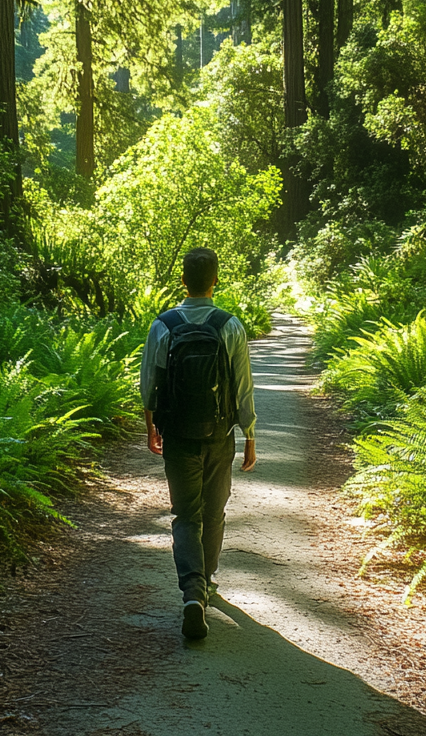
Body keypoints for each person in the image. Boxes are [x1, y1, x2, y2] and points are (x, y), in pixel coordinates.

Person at [139, 247, 256, 640]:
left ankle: (192, 593)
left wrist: (151, 426)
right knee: (215, 510)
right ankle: (206, 582)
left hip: (178, 436)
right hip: (220, 435)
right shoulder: (230, 325)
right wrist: (250, 434)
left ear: (183, 280)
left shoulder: (164, 324)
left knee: (186, 514)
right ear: (216, 280)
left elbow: (150, 382)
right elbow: (242, 385)